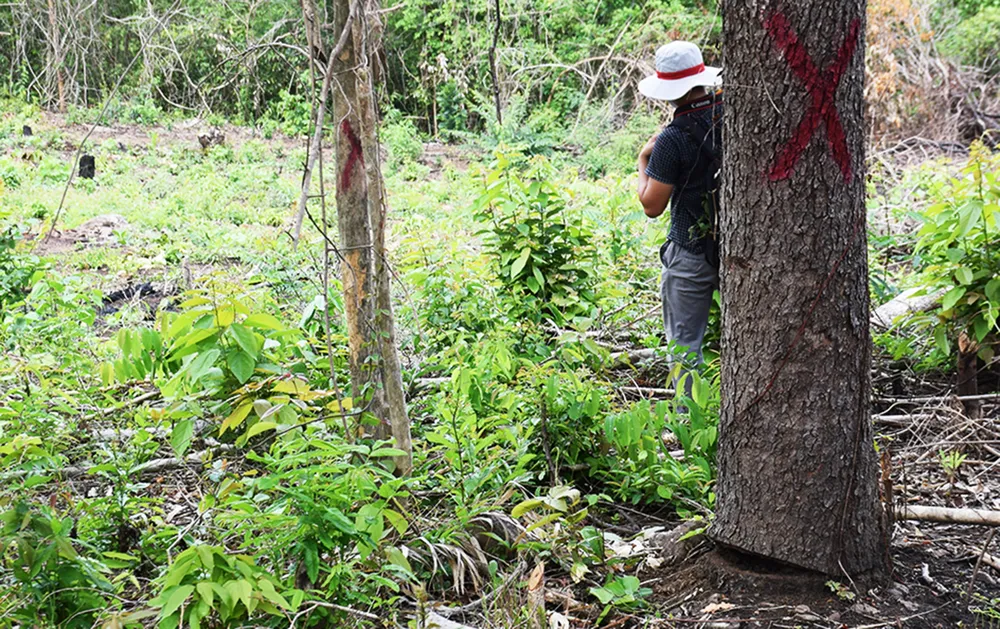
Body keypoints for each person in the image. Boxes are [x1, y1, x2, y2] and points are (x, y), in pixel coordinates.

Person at [636, 41, 723, 391]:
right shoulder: (729, 115)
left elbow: (652, 206)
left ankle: (689, 421)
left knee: (684, 347)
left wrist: (644, 160)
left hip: (690, 251)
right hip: (738, 247)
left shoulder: (671, 140)